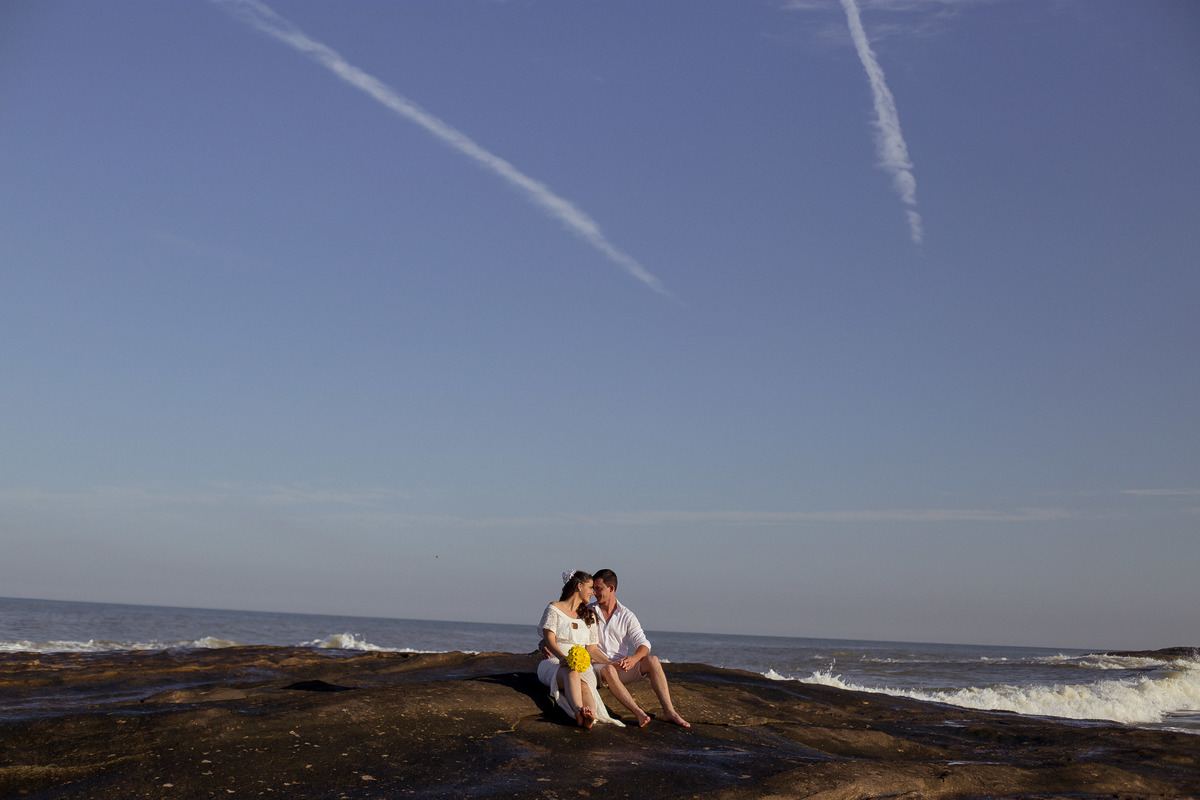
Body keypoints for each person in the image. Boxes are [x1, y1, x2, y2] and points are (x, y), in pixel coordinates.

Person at [590, 568, 690, 728]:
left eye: (598, 588)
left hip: (622, 669)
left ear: (611, 588)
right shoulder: (589, 611)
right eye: (593, 589)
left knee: (652, 660)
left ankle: (669, 711)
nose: (594, 592)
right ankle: (639, 713)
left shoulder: (627, 615)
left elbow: (644, 644)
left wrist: (633, 659)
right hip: (599, 670)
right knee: (609, 670)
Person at [536, 570, 624, 728]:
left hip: (583, 666)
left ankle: (589, 715)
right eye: (590, 588)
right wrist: (562, 658)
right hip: (555, 661)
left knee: (584, 683)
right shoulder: (554, 608)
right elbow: (548, 639)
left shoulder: (589, 615)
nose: (593, 592)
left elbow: (592, 650)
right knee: (571, 672)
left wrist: (611, 664)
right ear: (579, 586)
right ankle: (578, 711)